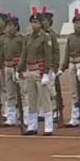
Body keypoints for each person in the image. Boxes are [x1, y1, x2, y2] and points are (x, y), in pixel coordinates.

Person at [19, 7, 54, 135]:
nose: (34, 25)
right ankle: (32, 125)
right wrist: (20, 69)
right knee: (31, 99)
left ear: (40, 24)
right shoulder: (27, 38)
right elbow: (24, 54)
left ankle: (48, 125)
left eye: (36, 22)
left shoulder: (45, 38)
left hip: (40, 70)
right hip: (30, 70)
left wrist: (46, 73)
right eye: (32, 22)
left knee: (45, 99)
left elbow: (48, 56)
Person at [60, 9, 80, 128]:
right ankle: (75, 117)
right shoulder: (71, 37)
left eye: (78, 23)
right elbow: (67, 53)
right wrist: (62, 68)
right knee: (74, 93)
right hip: (72, 64)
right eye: (75, 23)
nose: (76, 25)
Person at [0, 13, 25, 127]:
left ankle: (26, 116)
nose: (8, 28)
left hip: (17, 68)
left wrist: (19, 68)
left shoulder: (20, 39)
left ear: (15, 27)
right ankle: (11, 117)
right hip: (7, 67)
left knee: (23, 93)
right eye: (7, 26)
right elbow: (2, 54)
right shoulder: (5, 40)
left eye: (10, 26)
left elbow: (24, 54)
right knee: (10, 93)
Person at [40, 7, 61, 121]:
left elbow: (56, 51)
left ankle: (54, 109)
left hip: (50, 66)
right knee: (42, 90)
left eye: (44, 20)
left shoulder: (52, 35)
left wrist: (55, 66)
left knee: (51, 90)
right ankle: (44, 109)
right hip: (40, 66)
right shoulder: (40, 34)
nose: (42, 22)